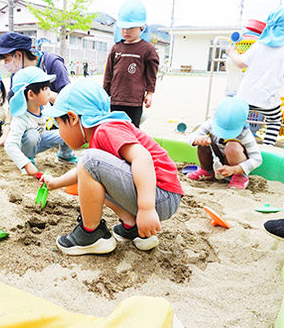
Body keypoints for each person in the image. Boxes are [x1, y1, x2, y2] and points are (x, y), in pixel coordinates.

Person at [40, 80, 183, 255]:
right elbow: (84, 172)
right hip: (161, 194)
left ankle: (91, 235)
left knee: (89, 161)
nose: (59, 130)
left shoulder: (106, 130)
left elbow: (142, 157)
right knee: (93, 174)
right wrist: (55, 183)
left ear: (72, 118)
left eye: (58, 123)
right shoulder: (103, 133)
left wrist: (147, 208)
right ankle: (133, 227)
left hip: (159, 196)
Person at [226, 6, 284, 146]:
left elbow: (240, 64)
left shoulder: (258, 45)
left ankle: (237, 146)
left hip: (244, 97)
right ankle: (267, 147)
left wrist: (231, 52)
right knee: (274, 121)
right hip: (267, 100)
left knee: (239, 124)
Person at [0, 31, 71, 148]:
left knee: (67, 124)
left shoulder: (52, 64)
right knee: (30, 136)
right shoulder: (17, 73)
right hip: (32, 122)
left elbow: (68, 101)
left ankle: (65, 152)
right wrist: (6, 132)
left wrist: (44, 92)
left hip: (55, 118)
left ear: (18, 55)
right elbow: (13, 105)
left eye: (6, 59)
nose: (5, 64)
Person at [5, 66, 77, 176]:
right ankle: (29, 158)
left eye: (48, 88)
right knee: (32, 135)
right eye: (45, 89)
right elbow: (10, 145)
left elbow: (56, 122)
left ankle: (65, 155)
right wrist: (25, 164)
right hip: (26, 145)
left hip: (41, 140)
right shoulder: (21, 118)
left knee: (65, 130)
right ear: (31, 94)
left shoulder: (45, 106)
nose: (49, 92)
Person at [103, 0, 159, 128]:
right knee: (114, 128)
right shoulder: (116, 48)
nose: (126, 32)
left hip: (134, 100)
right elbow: (109, 73)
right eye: (123, 28)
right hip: (115, 98)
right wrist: (105, 93)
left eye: (131, 28)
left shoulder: (147, 49)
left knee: (132, 129)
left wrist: (149, 93)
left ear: (142, 27)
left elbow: (151, 73)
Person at [186, 97, 262, 190]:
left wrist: (235, 169)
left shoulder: (244, 134)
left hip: (235, 165)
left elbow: (257, 159)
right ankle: (207, 171)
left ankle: (240, 177)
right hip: (215, 161)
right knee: (203, 141)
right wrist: (199, 139)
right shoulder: (210, 124)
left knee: (232, 147)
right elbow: (191, 137)